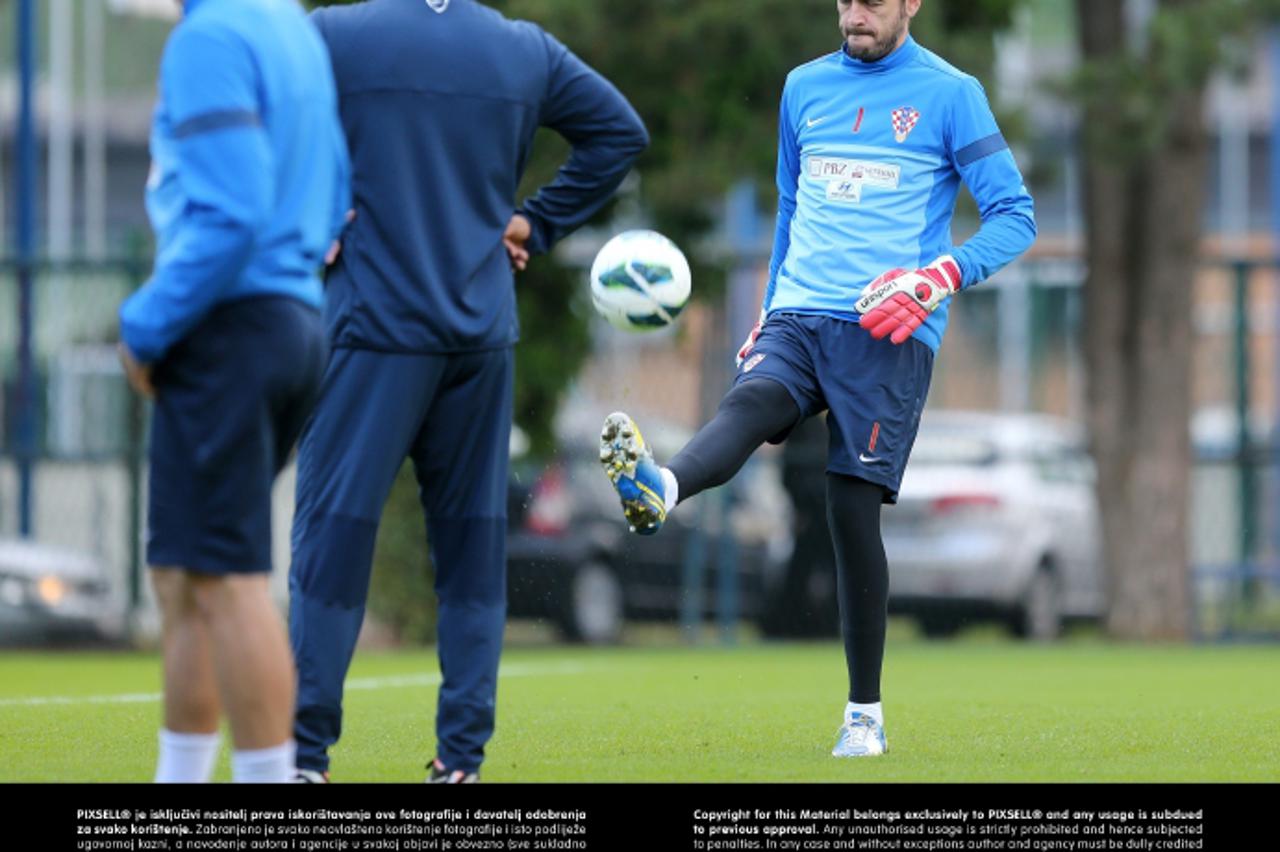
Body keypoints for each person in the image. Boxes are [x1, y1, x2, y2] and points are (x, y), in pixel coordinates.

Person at [601, 0, 1036, 757]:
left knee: (848, 510)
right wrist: (768, 309)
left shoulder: (951, 92)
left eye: (873, 1)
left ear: (911, 5)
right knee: (753, 401)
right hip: (801, 309)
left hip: (887, 330)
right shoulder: (803, 86)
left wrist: (939, 276)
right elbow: (792, 207)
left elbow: (1015, 214)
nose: (855, 14)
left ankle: (863, 715)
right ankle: (660, 489)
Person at [290, 0, 648, 783]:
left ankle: (302, 760)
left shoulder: (334, 34)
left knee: (332, 543)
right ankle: (460, 763)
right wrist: (534, 224)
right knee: (471, 558)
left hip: (374, 333)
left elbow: (248, 109)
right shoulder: (524, 49)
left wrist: (307, 216)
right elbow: (620, 132)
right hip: (480, 338)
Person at [117, 0, 349, 783]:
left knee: (228, 580)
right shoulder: (291, 30)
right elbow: (334, 193)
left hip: (228, 329)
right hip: (287, 321)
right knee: (185, 579)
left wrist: (144, 325)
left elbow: (232, 211)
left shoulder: (210, 37)